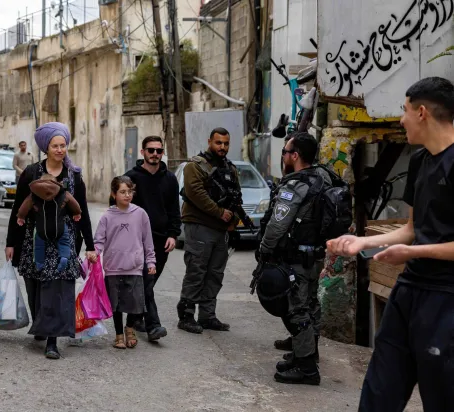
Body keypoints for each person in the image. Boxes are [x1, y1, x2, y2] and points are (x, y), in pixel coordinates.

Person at [328, 77, 454, 410]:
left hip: (446, 297)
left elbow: (418, 244)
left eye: (405, 110)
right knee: (380, 391)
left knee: (442, 396)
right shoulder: (419, 160)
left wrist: (413, 252)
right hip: (410, 288)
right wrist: (360, 242)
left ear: (422, 112)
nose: (401, 118)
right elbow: (412, 229)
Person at [5, 122, 96, 359]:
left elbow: (82, 212)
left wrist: (90, 245)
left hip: (63, 239)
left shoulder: (74, 175)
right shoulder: (32, 173)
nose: (60, 150)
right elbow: (19, 210)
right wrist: (10, 243)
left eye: (63, 145)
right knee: (34, 287)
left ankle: (52, 341)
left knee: (56, 289)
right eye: (55, 146)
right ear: (46, 147)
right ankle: (41, 324)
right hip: (34, 239)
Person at [256, 132, 330, 386]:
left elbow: (278, 225)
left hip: (297, 258)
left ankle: (307, 370)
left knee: (297, 310)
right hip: (315, 255)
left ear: (295, 156)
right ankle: (304, 354)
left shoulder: (295, 185)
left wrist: (264, 250)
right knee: (310, 305)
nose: (283, 156)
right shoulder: (323, 178)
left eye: (286, 152)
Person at [176, 127, 241, 334]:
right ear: (209, 141)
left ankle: (207, 315)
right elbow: (196, 193)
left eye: (226, 144)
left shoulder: (230, 168)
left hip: (221, 230)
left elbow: (236, 195)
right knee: (196, 271)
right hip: (200, 226)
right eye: (218, 143)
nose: (222, 147)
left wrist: (234, 220)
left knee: (215, 274)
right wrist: (219, 212)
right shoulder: (195, 166)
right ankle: (186, 316)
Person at [124, 136, 180, 341]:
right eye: (151, 150)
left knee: (148, 282)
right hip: (136, 241)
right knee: (145, 281)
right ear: (143, 152)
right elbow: (120, 205)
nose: (155, 154)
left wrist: (173, 234)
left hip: (161, 240)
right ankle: (153, 326)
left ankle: (135, 317)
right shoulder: (131, 178)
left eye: (159, 150)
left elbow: (175, 209)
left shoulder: (170, 179)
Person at [94, 176, 156, 349]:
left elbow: (148, 241)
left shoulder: (140, 214)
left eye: (130, 191)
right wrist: (94, 253)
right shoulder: (107, 216)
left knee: (136, 303)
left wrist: (151, 261)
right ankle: (119, 334)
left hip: (135, 267)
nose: (127, 195)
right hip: (113, 267)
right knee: (116, 305)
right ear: (114, 194)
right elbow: (99, 240)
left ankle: (130, 328)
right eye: (123, 192)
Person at [16, 173, 82, 272]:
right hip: (59, 227)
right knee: (64, 242)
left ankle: (39, 264)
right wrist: (77, 213)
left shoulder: (34, 195)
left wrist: (21, 217)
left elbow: (24, 207)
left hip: (41, 228)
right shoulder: (63, 193)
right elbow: (74, 203)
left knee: (38, 245)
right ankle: (64, 257)